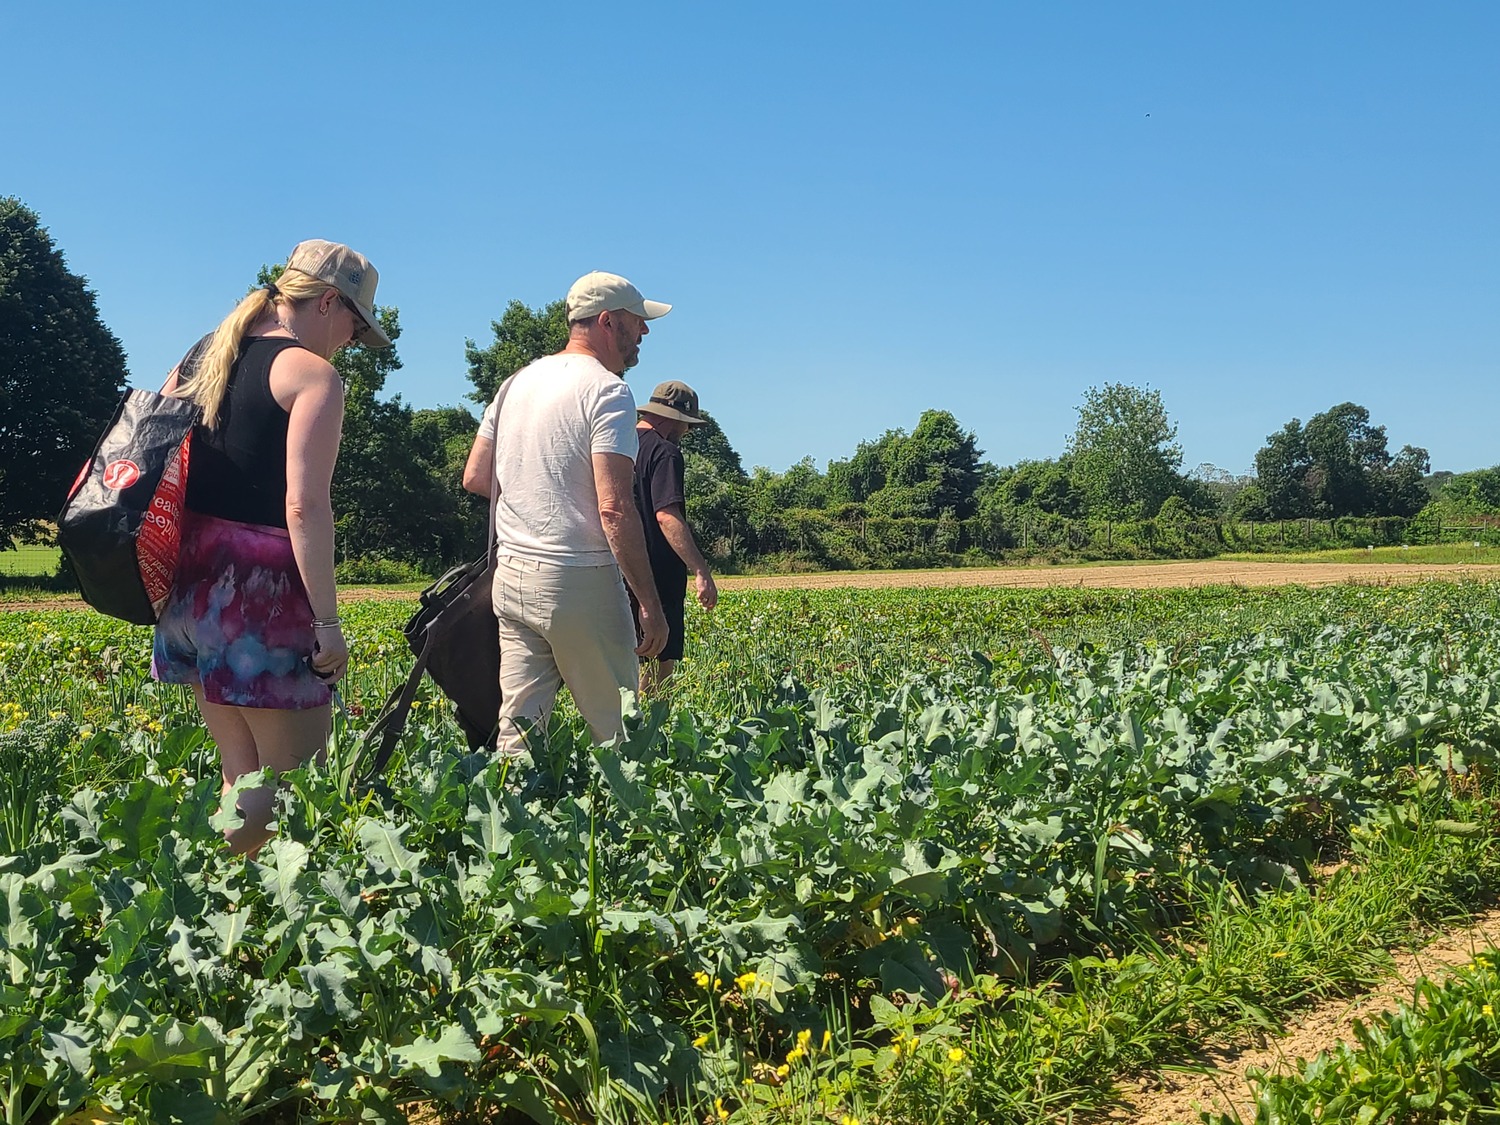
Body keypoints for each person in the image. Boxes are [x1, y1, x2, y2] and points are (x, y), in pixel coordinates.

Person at [154, 239, 390, 854]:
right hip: (260, 595)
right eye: (353, 328)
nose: (348, 344)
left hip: (190, 585)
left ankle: (223, 909)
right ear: (329, 303)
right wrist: (328, 622)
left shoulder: (202, 357)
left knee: (239, 772)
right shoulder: (312, 375)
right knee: (291, 786)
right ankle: (262, 918)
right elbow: (304, 507)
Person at [462, 271, 670, 760]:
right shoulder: (608, 391)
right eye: (637, 323)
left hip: (511, 577)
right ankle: (629, 830)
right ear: (606, 322)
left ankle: (513, 823)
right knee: (618, 733)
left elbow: (475, 476)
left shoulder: (516, 383)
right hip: (578, 579)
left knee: (519, 734)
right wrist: (650, 605)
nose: (644, 333)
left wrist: (533, 492)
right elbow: (615, 509)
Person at [632, 381, 719, 694]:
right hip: (656, 575)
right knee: (657, 665)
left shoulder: (618, 445)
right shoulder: (665, 453)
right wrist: (700, 570)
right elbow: (666, 516)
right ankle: (647, 737)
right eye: (686, 424)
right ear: (674, 418)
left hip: (615, 569)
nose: (687, 431)